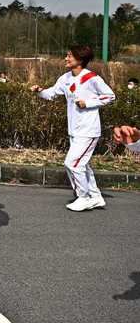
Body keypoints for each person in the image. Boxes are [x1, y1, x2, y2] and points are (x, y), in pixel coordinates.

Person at [30, 46, 115, 212]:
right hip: (74, 130)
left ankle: (83, 197)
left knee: (72, 163)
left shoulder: (92, 78)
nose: (66, 58)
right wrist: (39, 91)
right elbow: (52, 93)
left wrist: (88, 103)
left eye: (70, 56)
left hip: (88, 130)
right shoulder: (66, 78)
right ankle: (95, 197)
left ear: (80, 60)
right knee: (83, 164)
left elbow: (110, 96)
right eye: (67, 55)